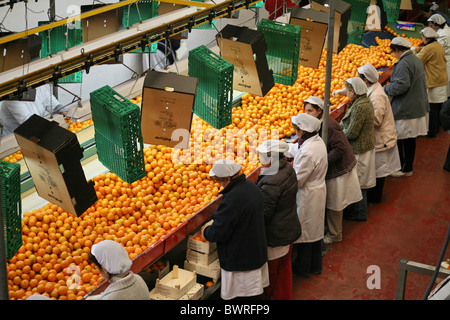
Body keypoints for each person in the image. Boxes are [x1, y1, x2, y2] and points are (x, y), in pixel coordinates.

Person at [202, 159, 268, 300]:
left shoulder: (231, 199)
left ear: (227, 178)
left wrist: (206, 231)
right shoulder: (252, 187)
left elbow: (218, 232)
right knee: (254, 295)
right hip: (256, 251)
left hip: (241, 259)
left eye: (220, 182)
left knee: (243, 297)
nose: (219, 186)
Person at [303, 96, 362, 244]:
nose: (307, 114)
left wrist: (323, 161)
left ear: (319, 110)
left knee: (335, 203)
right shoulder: (319, 123)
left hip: (340, 169)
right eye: (305, 111)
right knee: (334, 202)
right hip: (335, 168)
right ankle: (331, 229)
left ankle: (335, 234)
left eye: (310, 111)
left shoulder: (329, 125)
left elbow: (340, 147)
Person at [255, 139, 302, 300]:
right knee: (284, 268)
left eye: (262, 156)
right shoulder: (287, 168)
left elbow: (264, 212)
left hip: (276, 234)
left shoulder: (270, 181)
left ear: (272, 158)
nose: (259, 159)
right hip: (288, 227)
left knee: (273, 275)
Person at [285, 113, 328, 278]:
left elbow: (298, 179)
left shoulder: (309, 151)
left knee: (306, 233)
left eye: (296, 129)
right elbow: (297, 149)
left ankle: (303, 268)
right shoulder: (315, 141)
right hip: (316, 191)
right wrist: (282, 147)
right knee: (314, 231)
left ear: (301, 131)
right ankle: (315, 265)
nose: (295, 132)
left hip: (309, 195)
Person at [384, 37, 429, 177]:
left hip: (407, 107)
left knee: (403, 139)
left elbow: (401, 86)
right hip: (415, 104)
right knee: (410, 138)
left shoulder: (404, 64)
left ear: (397, 50)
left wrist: (385, 89)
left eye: (393, 52)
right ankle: (407, 166)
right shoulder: (415, 59)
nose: (393, 54)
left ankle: (404, 168)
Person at [357, 64, 401, 203]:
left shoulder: (377, 96)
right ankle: (373, 196)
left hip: (382, 138)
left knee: (379, 170)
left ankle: (375, 198)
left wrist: (358, 118)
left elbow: (376, 120)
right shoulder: (371, 89)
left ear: (366, 80)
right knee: (377, 169)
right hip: (378, 137)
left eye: (359, 78)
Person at [337, 77, 376, 221]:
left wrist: (338, 133)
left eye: (348, 91)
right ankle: (357, 211)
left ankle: (359, 213)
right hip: (364, 147)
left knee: (359, 183)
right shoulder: (362, 100)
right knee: (359, 182)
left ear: (353, 91)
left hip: (360, 149)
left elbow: (353, 132)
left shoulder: (360, 107)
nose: (346, 93)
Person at [412, 27, 448, 138]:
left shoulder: (429, 48)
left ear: (426, 38)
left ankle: (432, 131)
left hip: (434, 80)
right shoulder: (437, 45)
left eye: (422, 37)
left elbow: (417, 61)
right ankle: (438, 127)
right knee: (438, 106)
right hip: (441, 78)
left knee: (432, 107)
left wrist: (413, 50)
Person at [85, 240, 149, 300]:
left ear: (104, 269)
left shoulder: (111, 297)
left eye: (97, 268)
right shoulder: (139, 279)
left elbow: (113, 296)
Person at [0, 84, 66, 137]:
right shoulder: (12, 98)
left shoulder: (39, 87)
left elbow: (51, 102)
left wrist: (62, 112)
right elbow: (29, 122)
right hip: (13, 139)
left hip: (36, 132)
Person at [427, 13, 450, 98]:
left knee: (443, 91)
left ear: (437, 24)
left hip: (445, 61)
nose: (431, 27)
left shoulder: (444, 34)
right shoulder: (446, 30)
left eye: (432, 25)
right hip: (446, 60)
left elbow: (436, 49)